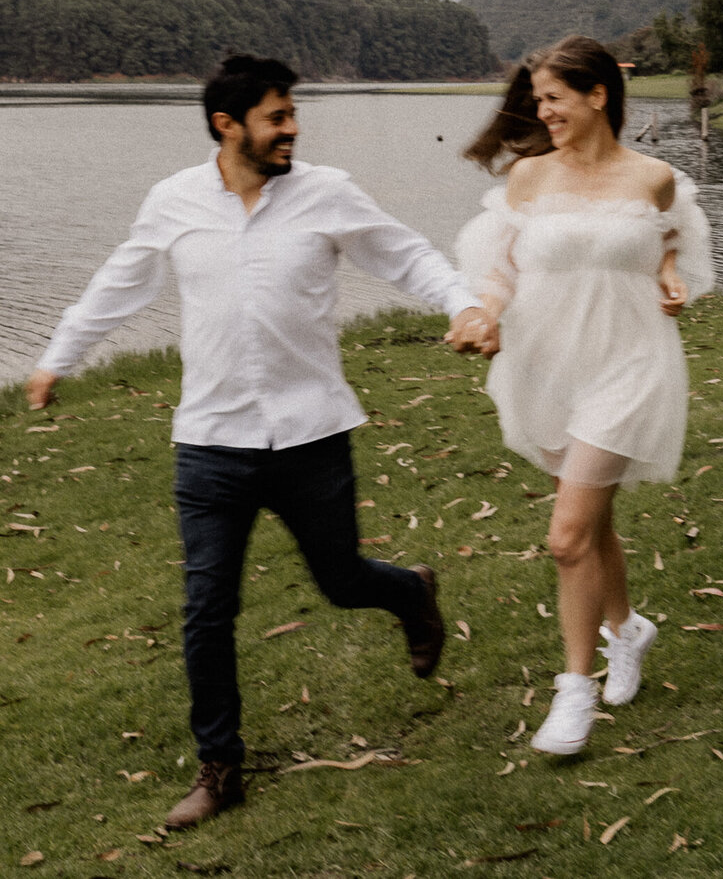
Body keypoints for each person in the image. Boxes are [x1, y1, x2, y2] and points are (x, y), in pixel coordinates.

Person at [27, 53, 497, 828]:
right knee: (206, 605)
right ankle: (221, 766)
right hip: (211, 443)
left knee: (341, 578)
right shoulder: (173, 201)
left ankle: (410, 592)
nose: (292, 128)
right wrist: (56, 359)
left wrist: (463, 303)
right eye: (277, 116)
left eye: (292, 114)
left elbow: (404, 252)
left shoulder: (326, 192)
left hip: (312, 434)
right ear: (227, 125)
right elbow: (121, 280)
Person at [455, 35, 713, 755]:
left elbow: (670, 236)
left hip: (629, 363)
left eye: (555, 98)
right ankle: (628, 629)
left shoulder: (655, 177)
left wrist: (669, 274)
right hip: (545, 362)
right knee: (592, 519)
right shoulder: (529, 179)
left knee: (567, 534)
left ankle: (575, 691)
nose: (543, 111)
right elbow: (500, 269)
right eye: (538, 100)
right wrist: (485, 315)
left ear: (598, 95)